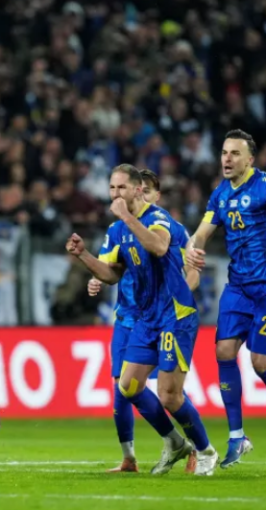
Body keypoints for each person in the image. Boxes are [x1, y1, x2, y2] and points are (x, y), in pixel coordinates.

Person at [67, 164, 218, 476]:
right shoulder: (117, 230)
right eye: (112, 188)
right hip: (146, 318)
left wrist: (126, 217)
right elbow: (111, 275)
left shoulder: (158, 219)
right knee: (128, 386)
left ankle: (205, 450)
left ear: (137, 190)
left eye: (122, 187)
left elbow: (159, 247)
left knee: (169, 396)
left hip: (174, 315)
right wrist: (83, 256)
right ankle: (175, 443)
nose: (116, 194)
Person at [186, 129, 264, 468]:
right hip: (238, 287)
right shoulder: (220, 194)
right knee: (224, 351)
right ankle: (236, 437)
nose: (227, 159)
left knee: (260, 362)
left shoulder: (263, 187)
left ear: (250, 159)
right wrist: (192, 250)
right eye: (223, 153)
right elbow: (202, 232)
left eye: (234, 153)